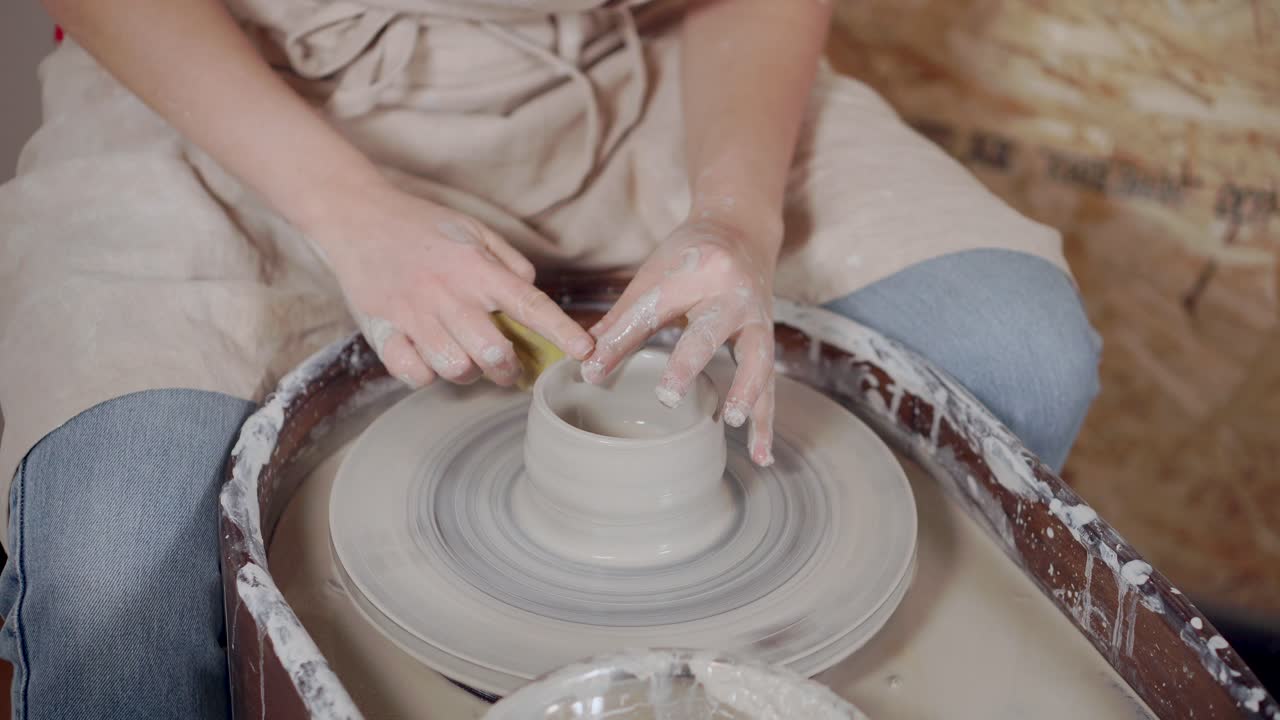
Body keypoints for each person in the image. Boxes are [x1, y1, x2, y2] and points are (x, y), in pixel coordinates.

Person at [0, 0, 1101, 715]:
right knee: (117, 567)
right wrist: (353, 216)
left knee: (1009, 351)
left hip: (623, 70)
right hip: (235, 98)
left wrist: (733, 218)